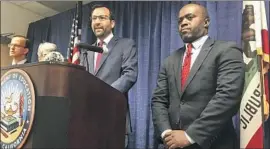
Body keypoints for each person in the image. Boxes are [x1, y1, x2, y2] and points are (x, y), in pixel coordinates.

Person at [151, 3, 245, 149]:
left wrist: (190, 136)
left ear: (206, 22)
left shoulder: (227, 50)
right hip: (173, 144)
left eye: (189, 17)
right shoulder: (170, 60)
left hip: (215, 143)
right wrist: (166, 133)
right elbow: (159, 100)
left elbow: (228, 97)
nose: (183, 23)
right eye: (180, 20)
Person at [79, 4, 138, 148]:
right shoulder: (86, 51)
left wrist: (105, 95)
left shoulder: (126, 44)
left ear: (112, 23)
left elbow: (130, 75)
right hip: (88, 122)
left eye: (102, 18)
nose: (97, 22)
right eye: (94, 19)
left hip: (113, 118)